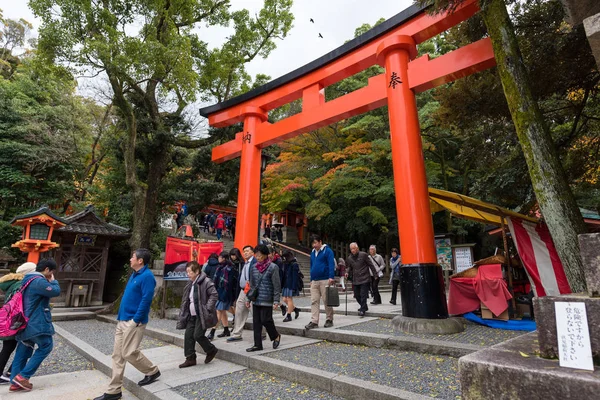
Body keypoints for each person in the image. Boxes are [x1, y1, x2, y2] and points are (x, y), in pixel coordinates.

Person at [94, 249, 160, 400]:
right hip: (122, 319)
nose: (130, 259)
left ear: (140, 260)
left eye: (133, 257)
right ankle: (114, 390)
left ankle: (152, 371)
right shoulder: (134, 275)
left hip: (134, 321)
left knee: (129, 353)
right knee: (117, 355)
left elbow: (146, 300)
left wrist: (135, 320)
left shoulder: (147, 276)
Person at [9, 259, 60, 392]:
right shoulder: (38, 280)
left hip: (24, 321)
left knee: (23, 349)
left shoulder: (26, 280)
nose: (51, 274)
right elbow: (55, 291)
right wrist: (53, 280)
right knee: (46, 345)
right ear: (47, 269)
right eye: (52, 272)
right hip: (36, 322)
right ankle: (23, 377)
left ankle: (15, 381)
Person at [176, 261, 219, 368]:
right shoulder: (190, 282)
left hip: (201, 313)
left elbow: (214, 295)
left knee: (198, 335)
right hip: (191, 314)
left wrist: (207, 308)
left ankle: (211, 349)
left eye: (189, 272)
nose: (188, 274)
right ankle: (190, 358)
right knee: (188, 335)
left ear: (197, 271)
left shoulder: (206, 281)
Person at [0, 262, 36, 385]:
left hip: (9, 319)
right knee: (21, 347)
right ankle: (9, 373)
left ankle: (5, 373)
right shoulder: (22, 284)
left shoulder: (11, 284)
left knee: (7, 348)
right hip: (18, 320)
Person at [245, 244, 281, 352]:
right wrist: (248, 299)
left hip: (267, 298)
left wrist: (276, 300)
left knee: (266, 320)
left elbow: (276, 285)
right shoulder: (253, 268)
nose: (258, 257)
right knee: (256, 322)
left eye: (260, 255)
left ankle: (275, 336)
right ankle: (257, 344)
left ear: (266, 255)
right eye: (256, 254)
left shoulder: (273, 267)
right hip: (256, 299)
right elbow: (251, 284)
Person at [227, 245, 266, 342]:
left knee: (255, 312)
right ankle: (237, 334)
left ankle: (262, 332)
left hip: (252, 291)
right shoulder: (244, 263)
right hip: (242, 290)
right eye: (244, 251)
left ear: (253, 252)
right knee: (239, 311)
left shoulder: (255, 262)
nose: (245, 253)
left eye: (247, 251)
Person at [304, 234, 335, 330]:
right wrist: (311, 279)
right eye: (312, 243)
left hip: (325, 279)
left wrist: (331, 277)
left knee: (327, 301)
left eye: (315, 243)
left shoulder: (327, 251)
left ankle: (329, 319)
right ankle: (314, 321)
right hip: (315, 280)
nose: (314, 245)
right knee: (314, 301)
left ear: (320, 242)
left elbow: (331, 264)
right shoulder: (313, 252)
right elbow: (311, 265)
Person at [346, 243, 377, 317]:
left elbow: (371, 265)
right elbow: (349, 267)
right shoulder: (349, 258)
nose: (353, 250)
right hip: (356, 279)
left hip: (365, 278)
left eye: (354, 248)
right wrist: (346, 272)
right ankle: (364, 306)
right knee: (356, 295)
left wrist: (375, 274)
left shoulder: (364, 255)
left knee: (363, 295)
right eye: (351, 249)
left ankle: (362, 310)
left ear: (357, 248)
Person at [213, 252, 237, 338]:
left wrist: (225, 293)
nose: (218, 258)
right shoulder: (219, 267)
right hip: (219, 291)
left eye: (220, 257)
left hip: (226, 292)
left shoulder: (230, 268)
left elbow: (229, 283)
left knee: (219, 311)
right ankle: (226, 330)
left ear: (224, 258)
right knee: (223, 311)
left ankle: (212, 331)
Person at [281, 251, 301, 322]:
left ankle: (289, 315)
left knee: (289, 299)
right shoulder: (286, 264)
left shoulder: (294, 264)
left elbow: (295, 277)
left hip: (291, 284)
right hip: (286, 283)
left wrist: (294, 287)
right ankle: (295, 309)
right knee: (284, 299)